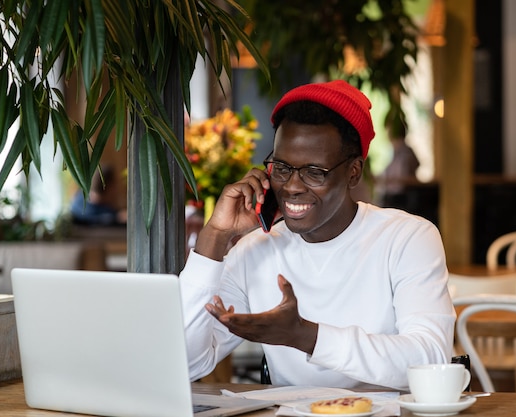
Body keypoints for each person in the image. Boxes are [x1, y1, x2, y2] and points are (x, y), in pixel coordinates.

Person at [179, 80, 455, 390]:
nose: (293, 186)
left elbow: (430, 360)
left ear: (354, 172)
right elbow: (186, 363)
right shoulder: (255, 250)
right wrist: (215, 235)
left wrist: (306, 336)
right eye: (282, 167)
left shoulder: (406, 238)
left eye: (314, 172)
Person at [379, 114, 420, 210]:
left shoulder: (405, 152)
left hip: (401, 201)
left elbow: (406, 178)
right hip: (393, 199)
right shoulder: (394, 152)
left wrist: (389, 180)